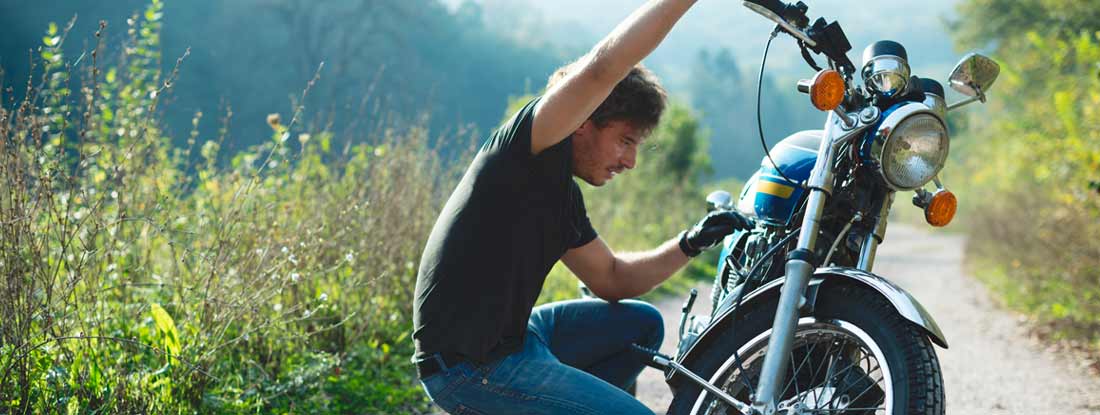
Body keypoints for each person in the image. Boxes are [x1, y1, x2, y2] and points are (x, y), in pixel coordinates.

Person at [412, 0, 751, 413]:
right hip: (469, 369)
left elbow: (611, 278)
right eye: (625, 141)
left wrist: (691, 242)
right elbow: (603, 67)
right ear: (581, 121)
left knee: (642, 325)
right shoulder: (524, 150)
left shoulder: (562, 195)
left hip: (521, 339)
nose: (631, 162)